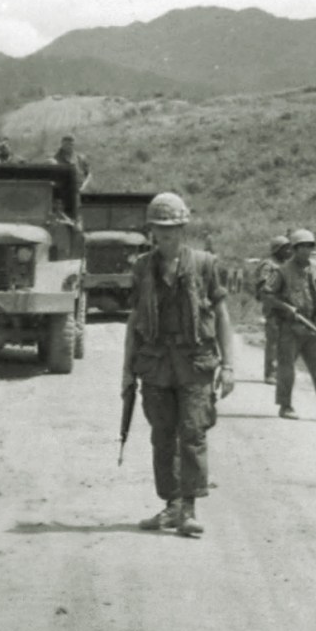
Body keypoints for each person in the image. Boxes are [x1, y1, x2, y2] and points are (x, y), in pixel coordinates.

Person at [122, 192, 235, 537]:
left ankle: (189, 508)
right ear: (151, 230)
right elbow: (134, 322)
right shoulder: (142, 268)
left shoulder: (204, 264)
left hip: (195, 365)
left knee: (193, 434)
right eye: (159, 228)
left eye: (172, 228)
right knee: (162, 437)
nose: (166, 235)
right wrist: (127, 371)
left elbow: (221, 315)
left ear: (183, 228)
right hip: (156, 366)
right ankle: (170, 506)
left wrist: (228, 365)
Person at [264, 229, 316, 421]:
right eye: (302, 247)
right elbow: (266, 295)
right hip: (290, 328)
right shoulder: (281, 271)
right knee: (286, 369)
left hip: (314, 327)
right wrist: (286, 308)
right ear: (294, 249)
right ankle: (285, 406)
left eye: (309, 247)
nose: (306, 251)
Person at [255, 234, 292, 384]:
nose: (289, 251)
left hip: (288, 308)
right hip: (274, 308)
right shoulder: (269, 265)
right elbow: (264, 288)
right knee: (274, 342)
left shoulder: (287, 265)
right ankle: (270, 373)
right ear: (277, 250)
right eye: (285, 248)